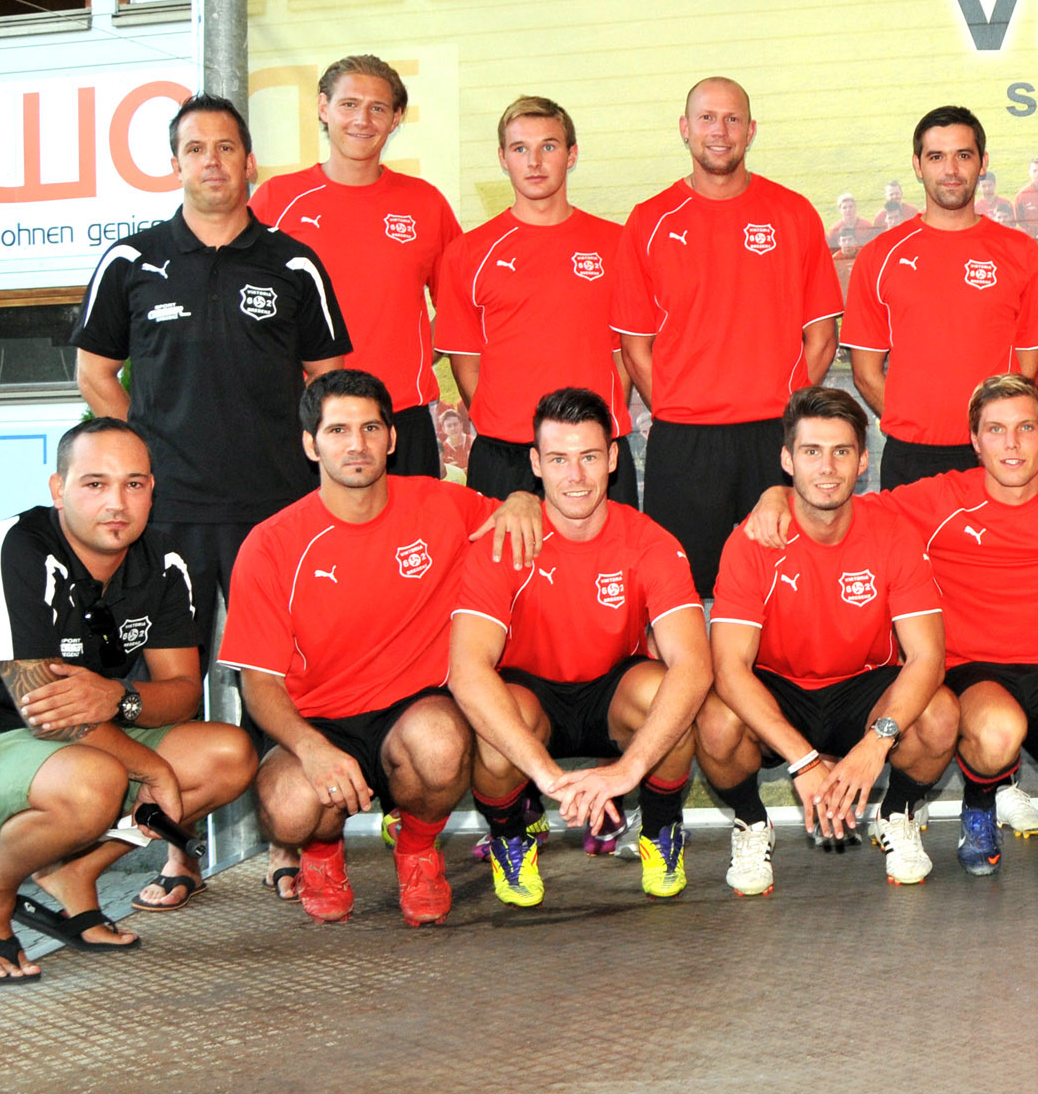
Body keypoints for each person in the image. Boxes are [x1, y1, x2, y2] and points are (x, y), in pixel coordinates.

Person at [0, 420, 254, 985]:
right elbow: (48, 716)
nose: (117, 503)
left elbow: (179, 693)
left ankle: (75, 873)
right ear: (58, 489)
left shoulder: (162, 562)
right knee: (95, 778)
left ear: (152, 490)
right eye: (95, 484)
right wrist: (152, 768)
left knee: (229, 753)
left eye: (133, 484)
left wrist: (118, 696)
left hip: (63, 754)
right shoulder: (16, 548)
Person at [740, 375, 1038, 874]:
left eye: (1026, 428)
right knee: (997, 733)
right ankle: (979, 804)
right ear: (975, 440)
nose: (1012, 443)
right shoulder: (938, 500)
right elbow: (832, 497)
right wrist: (774, 494)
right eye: (995, 429)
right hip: (971, 670)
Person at [221, 370, 543, 926]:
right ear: (311, 444)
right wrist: (310, 748)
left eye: (370, 428)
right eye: (338, 430)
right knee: (288, 810)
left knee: (442, 745)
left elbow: (517, 518)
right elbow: (259, 683)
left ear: (392, 438)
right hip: (318, 720)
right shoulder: (270, 544)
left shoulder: (443, 505)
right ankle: (322, 854)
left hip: (410, 713)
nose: (357, 444)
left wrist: (522, 498)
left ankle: (416, 850)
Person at [75, 94, 351, 651]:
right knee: (162, 676)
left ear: (249, 163)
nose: (212, 161)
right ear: (175, 166)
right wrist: (145, 453)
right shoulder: (130, 261)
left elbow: (329, 387)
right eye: (196, 149)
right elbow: (94, 375)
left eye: (225, 148)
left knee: (284, 667)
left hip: (276, 503)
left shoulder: (294, 263)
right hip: (167, 509)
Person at [447, 389, 713, 906]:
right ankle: (510, 836)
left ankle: (660, 830)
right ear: (535, 464)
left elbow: (694, 666)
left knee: (671, 696)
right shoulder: (503, 543)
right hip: (531, 696)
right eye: (558, 459)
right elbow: (467, 671)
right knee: (491, 720)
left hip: (612, 690)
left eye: (589, 457)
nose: (575, 476)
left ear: (613, 458)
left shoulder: (650, 541)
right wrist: (549, 778)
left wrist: (627, 771)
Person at [697, 387, 957, 892]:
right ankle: (751, 822)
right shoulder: (753, 540)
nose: (827, 467)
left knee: (940, 714)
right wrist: (805, 762)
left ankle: (896, 814)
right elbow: (729, 669)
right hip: (779, 685)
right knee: (716, 721)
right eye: (812, 451)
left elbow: (928, 657)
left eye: (841, 451)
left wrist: (876, 744)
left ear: (863, 461)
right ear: (787, 460)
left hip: (863, 685)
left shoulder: (893, 532)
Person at [614, 76, 842, 593]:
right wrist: (675, 407)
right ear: (685, 128)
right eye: (707, 119)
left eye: (732, 119)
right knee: (684, 593)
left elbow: (822, 337)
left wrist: (790, 415)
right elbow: (634, 346)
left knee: (785, 589)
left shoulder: (793, 213)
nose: (720, 131)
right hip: (685, 441)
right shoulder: (649, 220)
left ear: (751, 131)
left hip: (775, 438)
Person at [250, 55, 461, 479]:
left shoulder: (426, 203)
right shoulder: (276, 201)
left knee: (414, 526)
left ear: (396, 118)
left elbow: (460, 308)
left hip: (402, 415)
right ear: (323, 107)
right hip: (308, 418)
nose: (362, 120)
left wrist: (417, 355)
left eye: (377, 108)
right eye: (349, 104)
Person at [435, 95, 638, 505]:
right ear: (502, 157)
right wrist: (503, 425)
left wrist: (595, 428)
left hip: (594, 451)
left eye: (548, 146)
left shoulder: (617, 245)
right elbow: (465, 361)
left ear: (571, 155)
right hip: (504, 455)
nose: (534, 162)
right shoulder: (468, 253)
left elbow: (626, 352)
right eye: (519, 148)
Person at [844, 106, 1038, 490]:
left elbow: (1030, 364)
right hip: (910, 455)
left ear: (983, 163)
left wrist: (996, 428)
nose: (951, 170)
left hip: (995, 456)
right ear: (918, 165)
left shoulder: (1020, 252)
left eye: (964, 155)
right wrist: (914, 424)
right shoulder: (879, 256)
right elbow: (865, 372)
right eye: (937, 157)